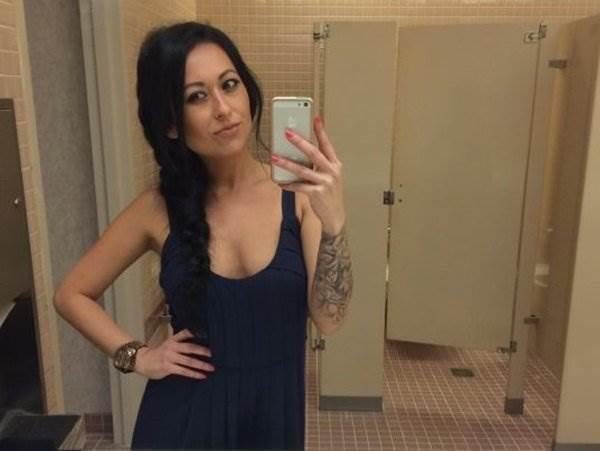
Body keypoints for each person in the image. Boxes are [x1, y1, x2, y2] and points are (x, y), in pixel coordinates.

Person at [53, 21, 353, 450]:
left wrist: (335, 224)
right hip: (182, 422)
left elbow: (330, 320)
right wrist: (138, 356)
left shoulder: (299, 198)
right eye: (197, 96)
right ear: (171, 124)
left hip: (272, 421)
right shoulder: (157, 208)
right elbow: (71, 294)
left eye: (229, 85)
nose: (223, 108)